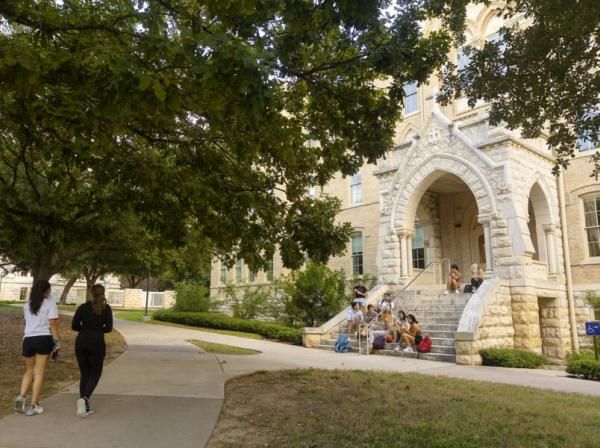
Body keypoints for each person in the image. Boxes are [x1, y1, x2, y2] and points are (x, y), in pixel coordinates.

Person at [15, 280, 59, 416]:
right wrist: (56, 340)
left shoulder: (27, 304)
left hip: (28, 339)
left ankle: (21, 397)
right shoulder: (50, 303)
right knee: (39, 372)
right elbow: (52, 322)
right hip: (43, 338)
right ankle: (33, 405)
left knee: (29, 371)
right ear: (47, 291)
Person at [71, 284, 113, 418]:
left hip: (81, 341)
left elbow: (74, 325)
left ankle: (84, 403)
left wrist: (85, 328)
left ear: (91, 293)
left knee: (85, 373)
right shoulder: (106, 309)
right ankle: (84, 399)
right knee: (95, 373)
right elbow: (109, 328)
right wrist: (98, 329)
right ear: (103, 293)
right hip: (97, 343)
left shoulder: (83, 307)